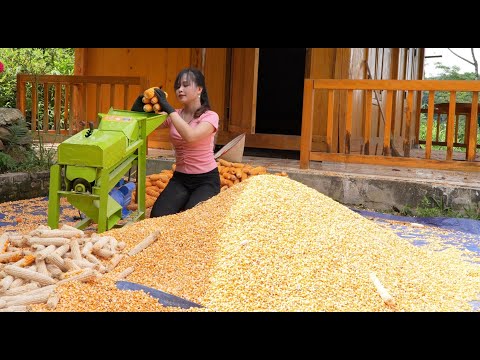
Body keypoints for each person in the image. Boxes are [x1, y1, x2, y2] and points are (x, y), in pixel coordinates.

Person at [131, 67, 220, 217]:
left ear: (199, 89)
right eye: (178, 86)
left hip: (206, 180)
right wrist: (138, 109)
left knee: (189, 219)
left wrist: (169, 109)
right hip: (181, 178)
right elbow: (142, 126)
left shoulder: (210, 116)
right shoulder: (176, 114)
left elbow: (190, 136)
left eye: (185, 85)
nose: (180, 89)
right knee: (157, 216)